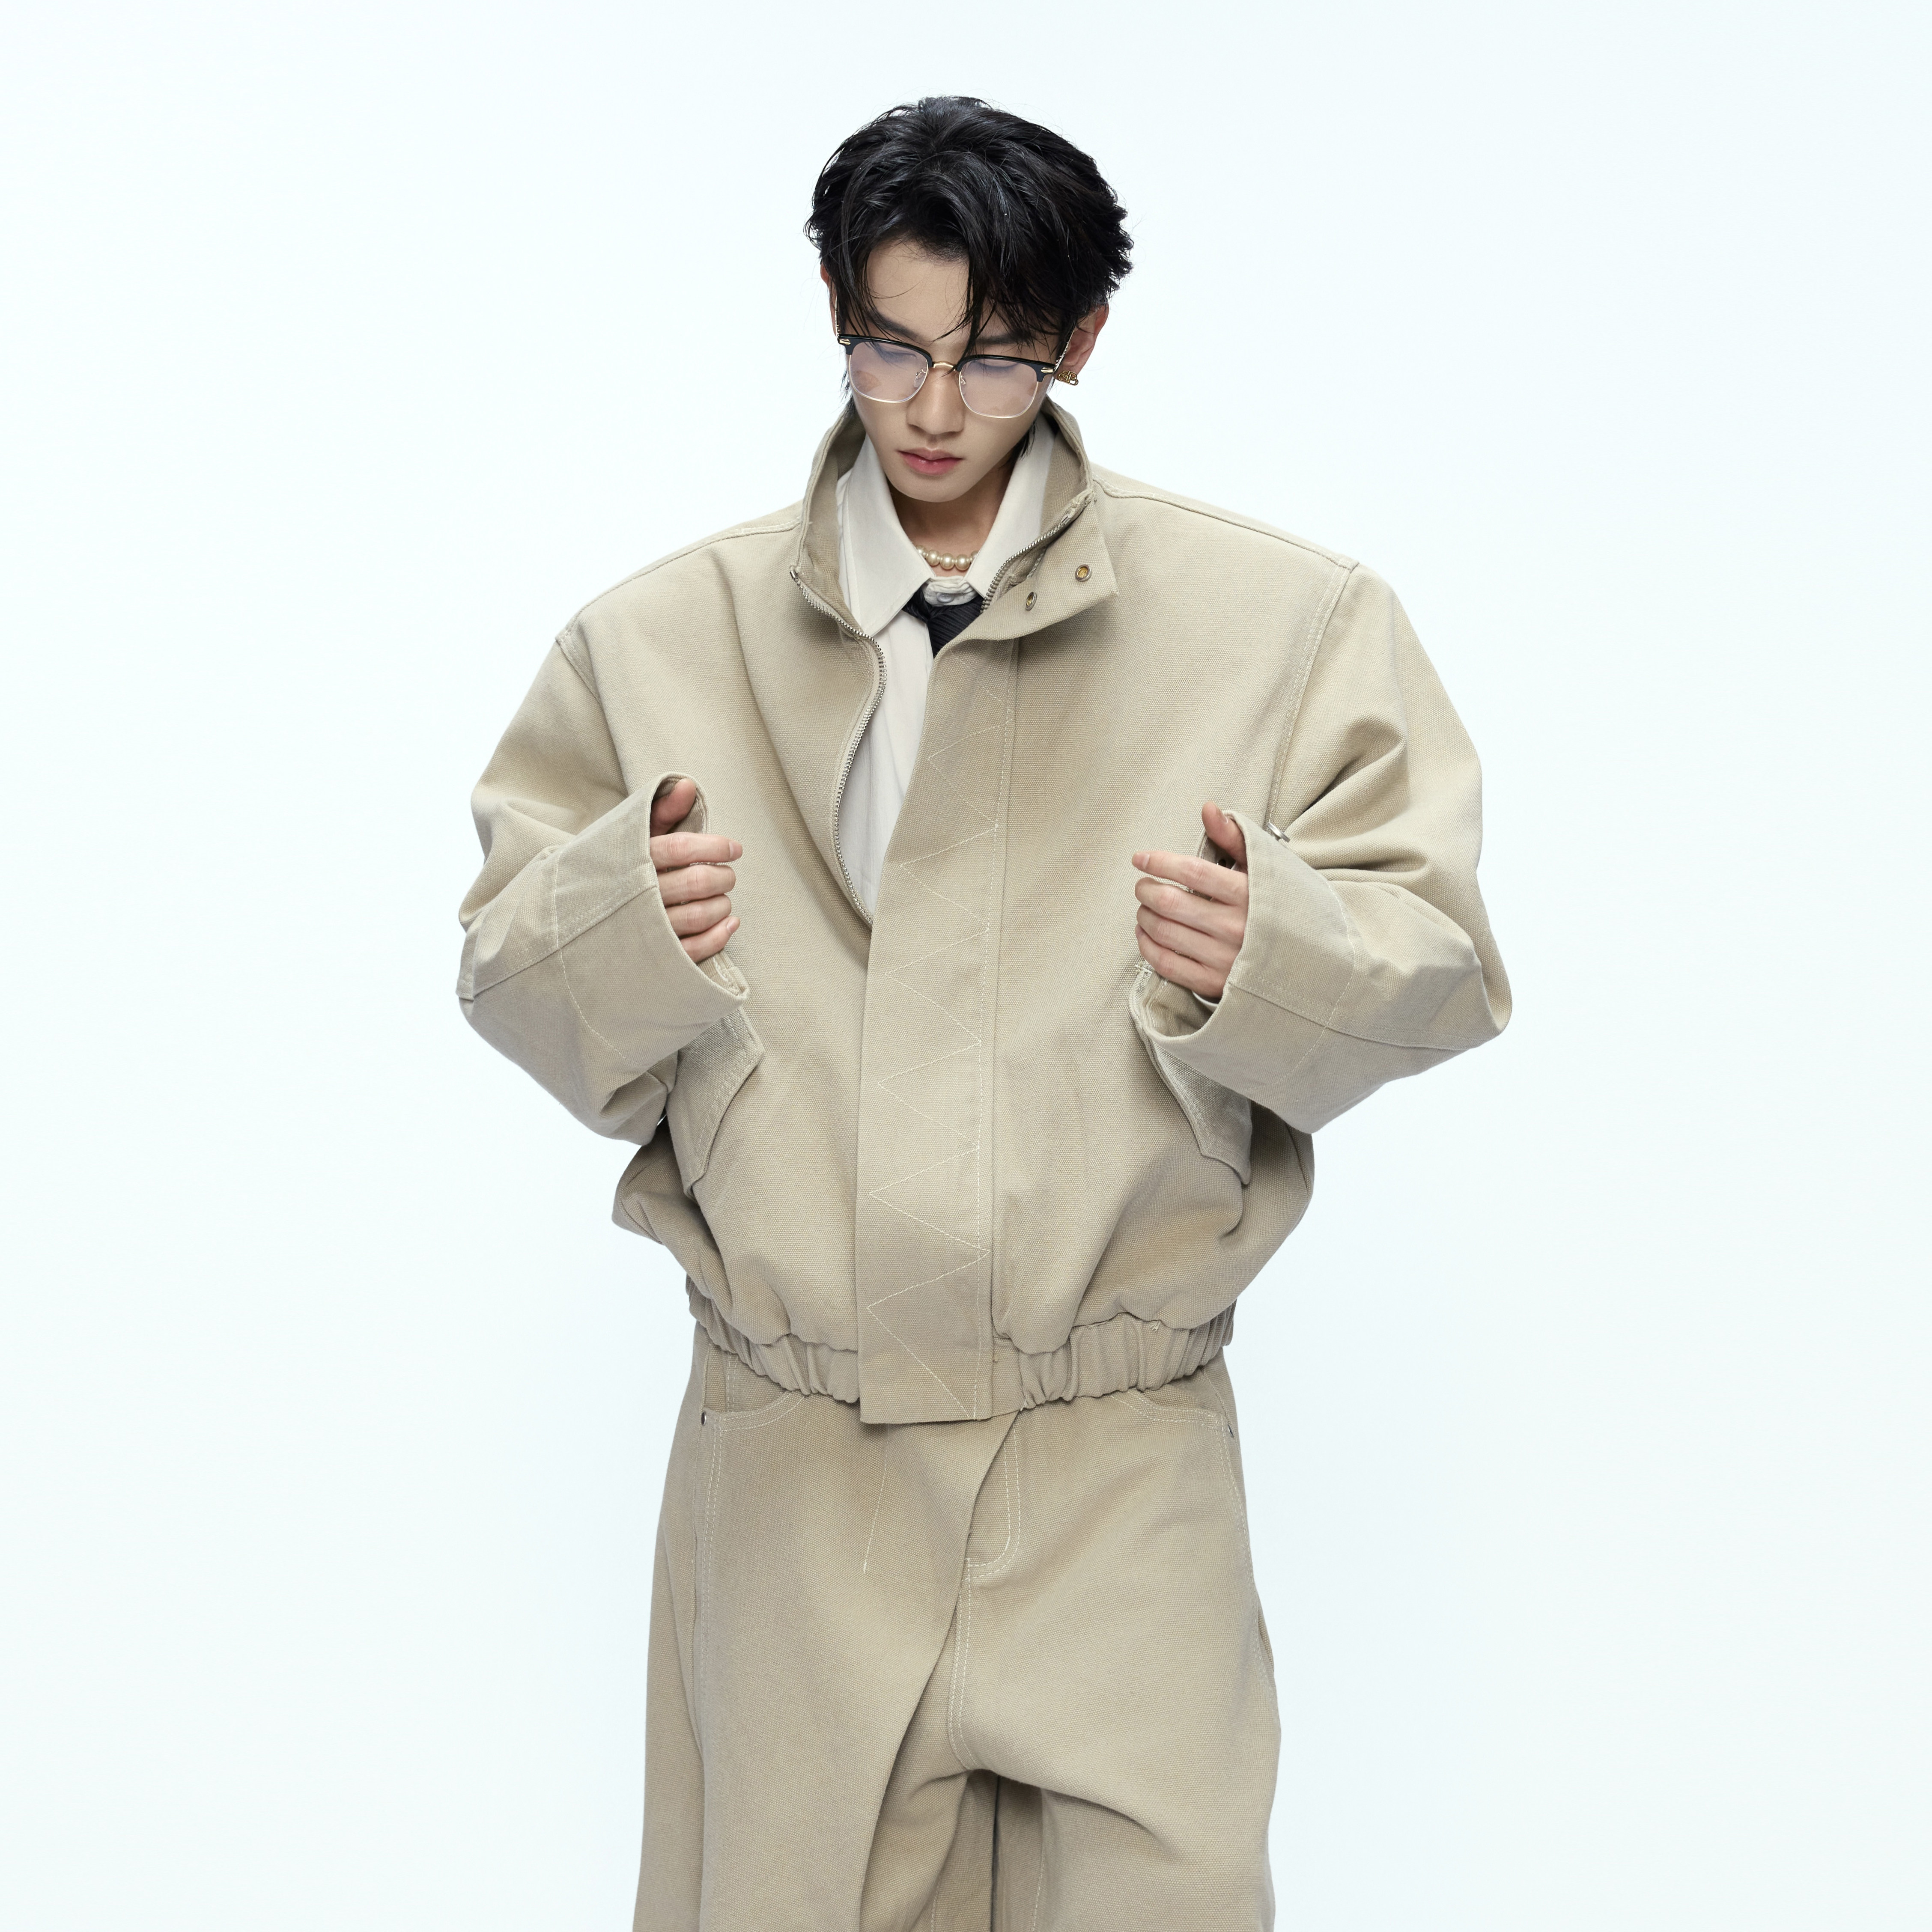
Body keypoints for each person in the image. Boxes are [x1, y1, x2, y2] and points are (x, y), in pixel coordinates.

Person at [457, 95, 1509, 1932]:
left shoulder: (1285, 628)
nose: (935, 408)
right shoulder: (656, 644)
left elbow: (1440, 961)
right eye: (891, 346)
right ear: (835, 310)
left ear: (1080, 340)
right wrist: (624, 926)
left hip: (1118, 1473)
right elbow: (504, 972)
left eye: (996, 357)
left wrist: (1270, 951)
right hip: (801, 1480)